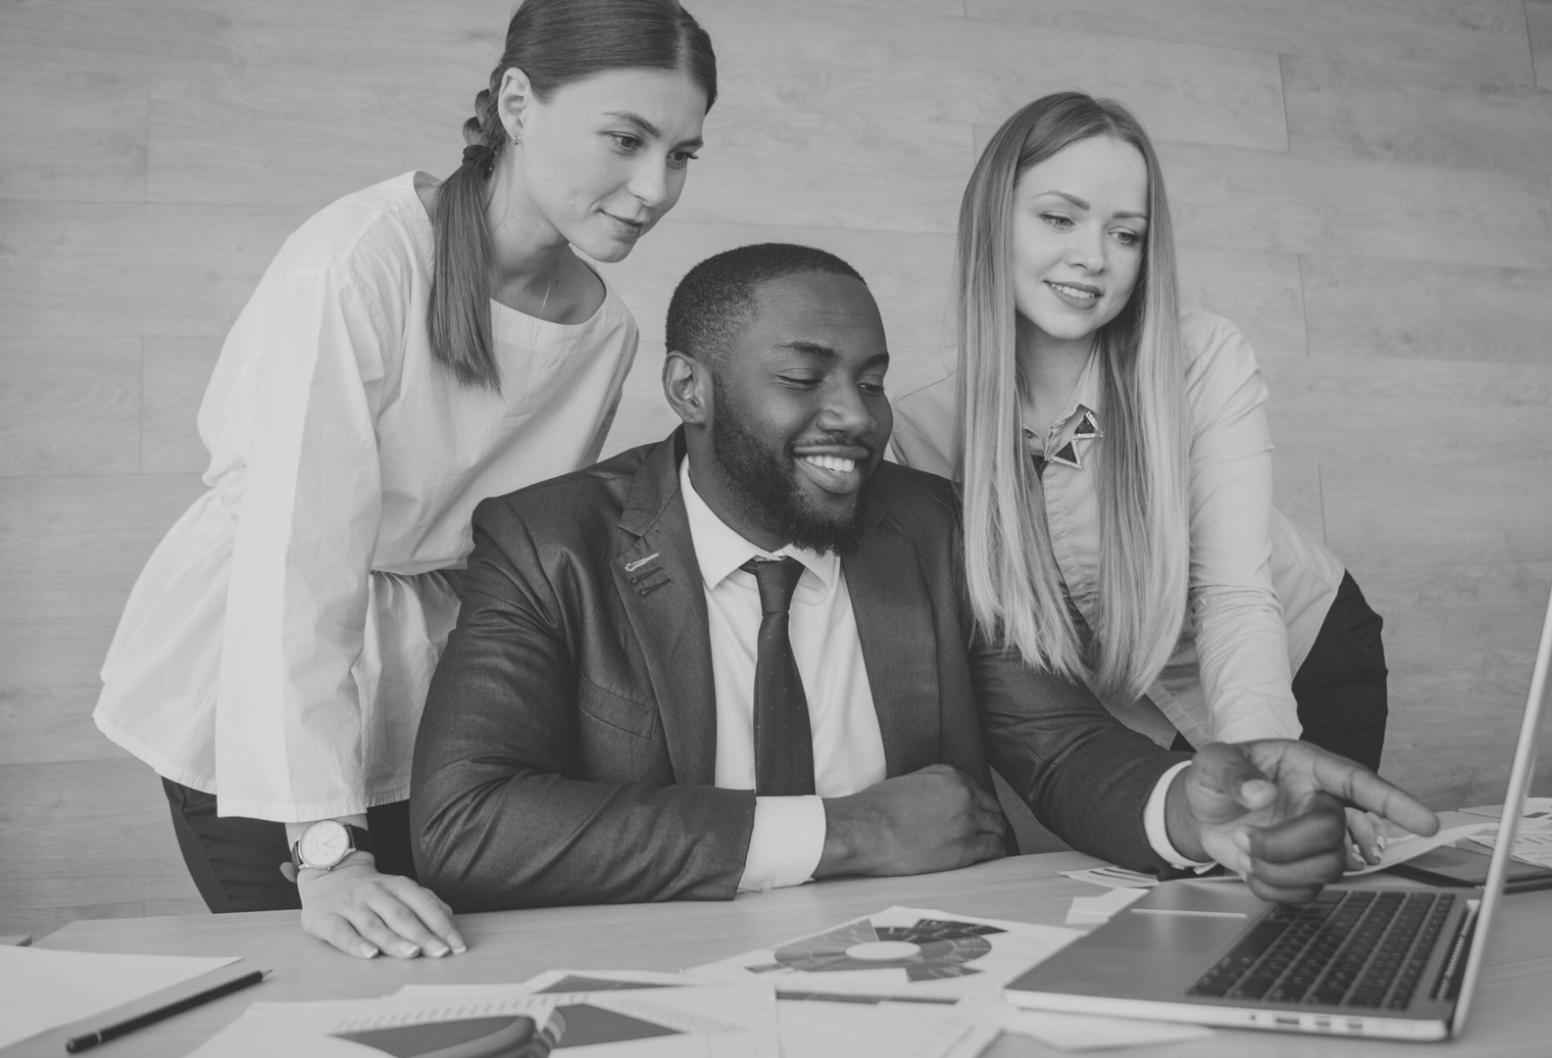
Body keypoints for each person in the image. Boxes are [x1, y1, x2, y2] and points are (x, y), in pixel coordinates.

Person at [409, 242, 1437, 912]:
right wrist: (842, 832)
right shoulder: (549, 541)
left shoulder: (936, 527)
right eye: (803, 377)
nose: (856, 415)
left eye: (870, 377)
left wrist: (1188, 812)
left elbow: (1061, 742)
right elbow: (466, 823)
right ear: (689, 386)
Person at [93, 0, 716, 959]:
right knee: (315, 990)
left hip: (432, 693)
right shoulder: (362, 259)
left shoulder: (607, 329)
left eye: (680, 155)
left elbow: (520, 564)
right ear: (517, 102)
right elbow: (299, 562)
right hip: (260, 683)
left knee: (445, 985)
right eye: (626, 139)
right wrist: (326, 850)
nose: (654, 187)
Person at [890, 92, 1391, 864]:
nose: (1095, 255)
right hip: (1131, 715)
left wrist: (1264, 754)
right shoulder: (922, 422)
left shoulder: (1202, 356)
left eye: (1126, 234)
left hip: (1300, 660)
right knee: (1188, 900)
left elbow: (1232, 593)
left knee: (1295, 881)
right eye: (1059, 218)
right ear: (994, 219)